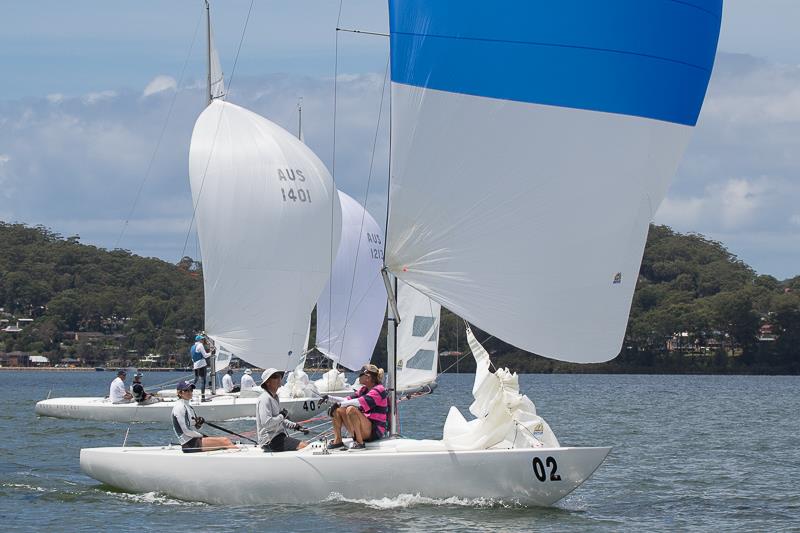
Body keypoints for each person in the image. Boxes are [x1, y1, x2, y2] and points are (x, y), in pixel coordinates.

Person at [324, 364, 387, 450]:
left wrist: (339, 404)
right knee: (338, 409)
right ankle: (338, 441)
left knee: (351, 409)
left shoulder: (379, 390)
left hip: (374, 431)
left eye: (360, 375)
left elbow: (359, 402)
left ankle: (360, 443)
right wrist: (329, 398)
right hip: (364, 428)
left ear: (367, 377)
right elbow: (346, 400)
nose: (358, 377)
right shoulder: (363, 390)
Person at [171, 380, 235, 453]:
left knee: (224, 441)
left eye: (191, 390)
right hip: (189, 444)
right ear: (179, 393)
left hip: (194, 440)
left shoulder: (189, 407)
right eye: (186, 390)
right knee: (225, 441)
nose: (189, 392)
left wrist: (199, 424)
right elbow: (186, 431)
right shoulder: (179, 407)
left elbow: (196, 427)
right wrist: (202, 436)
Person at [256, 368, 309, 452]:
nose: (279, 378)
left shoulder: (275, 397)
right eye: (275, 377)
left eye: (280, 376)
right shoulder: (264, 399)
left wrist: (295, 426)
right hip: (269, 441)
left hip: (278, 437)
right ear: (267, 382)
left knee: (306, 445)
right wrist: (282, 415)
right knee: (305, 447)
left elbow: (279, 420)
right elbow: (267, 423)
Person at [190, 334, 214, 401]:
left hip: (195, 365)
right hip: (202, 364)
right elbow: (205, 355)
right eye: (202, 339)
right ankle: (203, 398)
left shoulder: (192, 347)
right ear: (199, 340)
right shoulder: (200, 345)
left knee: (195, 380)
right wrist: (212, 353)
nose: (203, 340)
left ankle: (188, 393)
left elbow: (193, 358)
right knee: (203, 381)